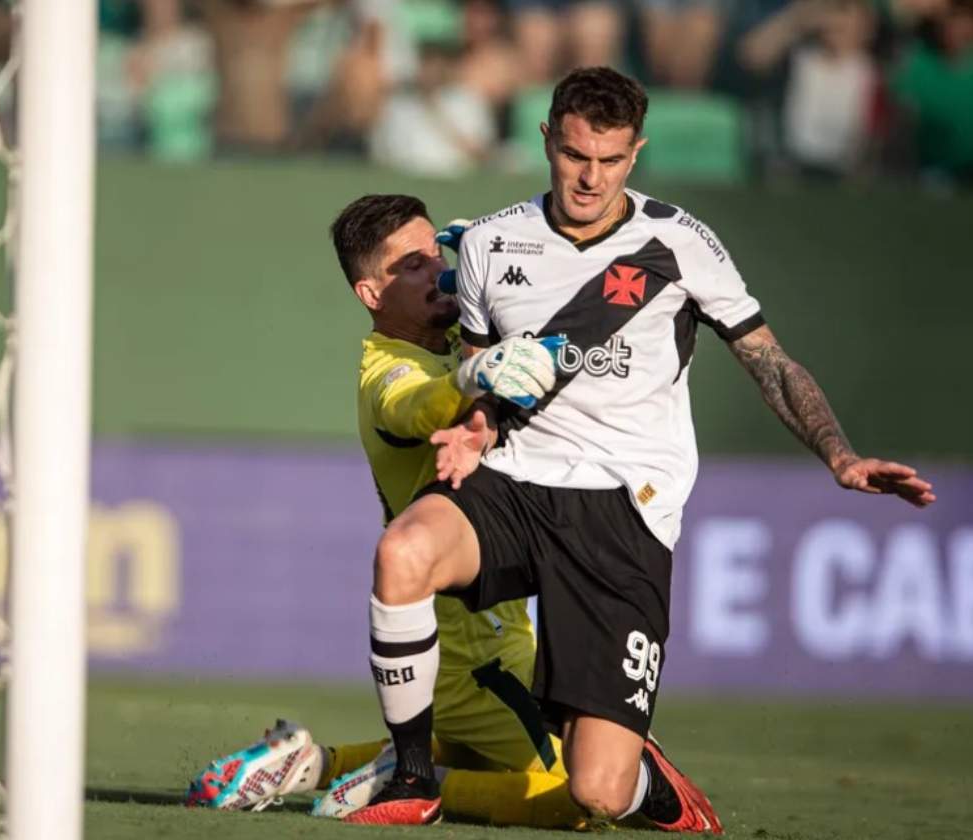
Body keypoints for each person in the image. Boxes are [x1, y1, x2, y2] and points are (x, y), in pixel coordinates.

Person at [348, 66, 936, 830]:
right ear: (547, 141)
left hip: (624, 510)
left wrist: (839, 455)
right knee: (402, 554)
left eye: (611, 160)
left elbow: (769, 360)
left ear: (637, 153)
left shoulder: (679, 243)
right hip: (517, 483)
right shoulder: (493, 243)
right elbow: (496, 374)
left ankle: (657, 793)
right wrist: (476, 426)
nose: (590, 178)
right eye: (574, 155)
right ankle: (413, 780)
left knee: (596, 790)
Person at [185, 194, 713, 830]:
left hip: (510, 641)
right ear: (369, 293)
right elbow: (417, 406)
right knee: (583, 800)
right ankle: (409, 779)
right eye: (409, 266)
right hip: (467, 660)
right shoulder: (386, 369)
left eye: (435, 251)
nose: (436, 270)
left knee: (570, 762)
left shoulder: (471, 335)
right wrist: (473, 378)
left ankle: (315, 764)